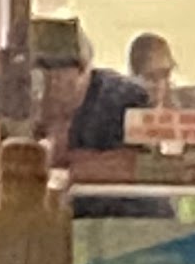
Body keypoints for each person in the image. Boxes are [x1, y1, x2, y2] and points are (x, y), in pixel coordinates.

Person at [32, 17, 150, 161]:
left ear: (84, 70)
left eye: (58, 72)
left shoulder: (126, 99)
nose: (51, 83)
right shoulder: (28, 100)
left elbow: (140, 161)